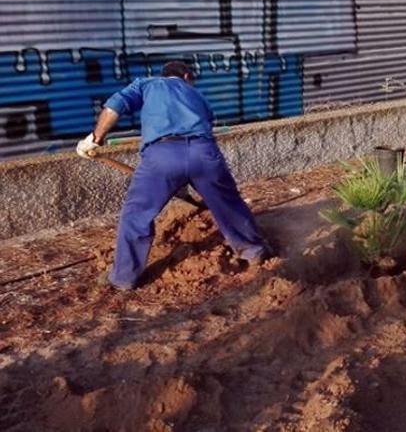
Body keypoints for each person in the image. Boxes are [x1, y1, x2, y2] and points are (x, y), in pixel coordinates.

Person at [76, 60, 271, 290]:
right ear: (187, 76)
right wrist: (187, 175)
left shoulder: (146, 84)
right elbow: (207, 124)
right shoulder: (197, 95)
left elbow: (114, 106)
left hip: (161, 156)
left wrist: (95, 138)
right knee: (229, 203)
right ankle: (254, 251)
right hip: (204, 153)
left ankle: (123, 278)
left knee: (136, 215)